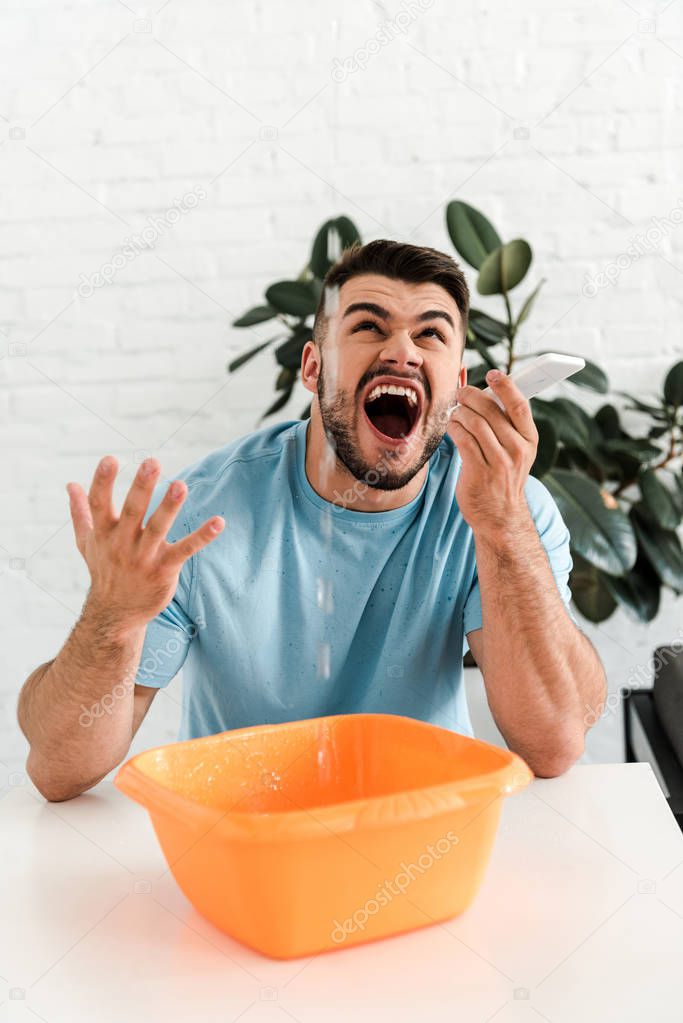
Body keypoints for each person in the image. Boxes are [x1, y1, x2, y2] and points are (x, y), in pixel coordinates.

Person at [17, 240, 607, 801]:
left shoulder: (502, 507)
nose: (402, 349)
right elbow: (59, 770)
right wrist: (112, 617)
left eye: (430, 333)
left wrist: (503, 528)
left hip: (422, 832)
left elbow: (552, 744)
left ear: (457, 387)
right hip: (247, 840)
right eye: (369, 326)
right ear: (313, 366)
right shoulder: (197, 517)